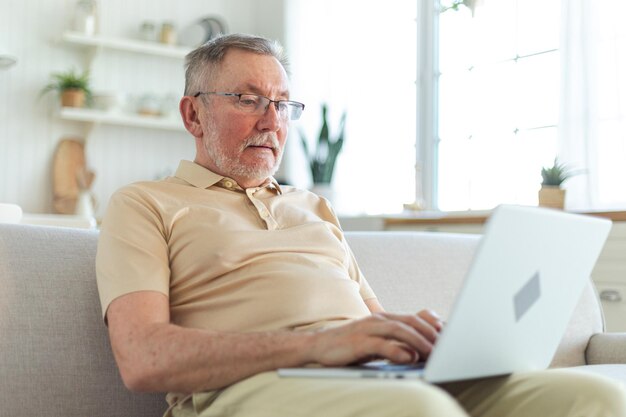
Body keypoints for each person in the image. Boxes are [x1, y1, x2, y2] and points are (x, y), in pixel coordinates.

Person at [96, 33, 626, 417]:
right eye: (248, 99)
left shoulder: (313, 208)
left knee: (596, 397)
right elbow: (143, 359)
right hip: (250, 390)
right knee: (419, 411)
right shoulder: (144, 204)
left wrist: (420, 338)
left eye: (282, 105)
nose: (271, 121)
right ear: (193, 116)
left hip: (369, 380)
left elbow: (368, 318)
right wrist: (320, 345)